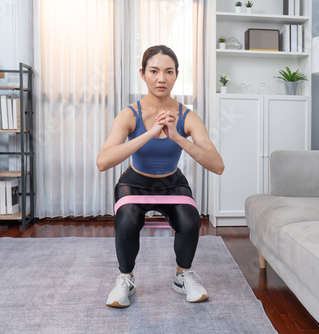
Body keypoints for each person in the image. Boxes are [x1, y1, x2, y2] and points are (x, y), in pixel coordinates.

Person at [96, 45, 224, 308]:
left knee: (190, 221)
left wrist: (177, 136)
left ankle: (182, 275)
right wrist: (150, 132)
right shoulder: (129, 115)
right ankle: (125, 279)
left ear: (177, 75)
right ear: (143, 74)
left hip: (171, 182)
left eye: (168, 72)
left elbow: (217, 165)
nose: (161, 78)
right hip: (135, 182)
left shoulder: (188, 117)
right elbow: (103, 161)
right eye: (154, 71)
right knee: (128, 219)